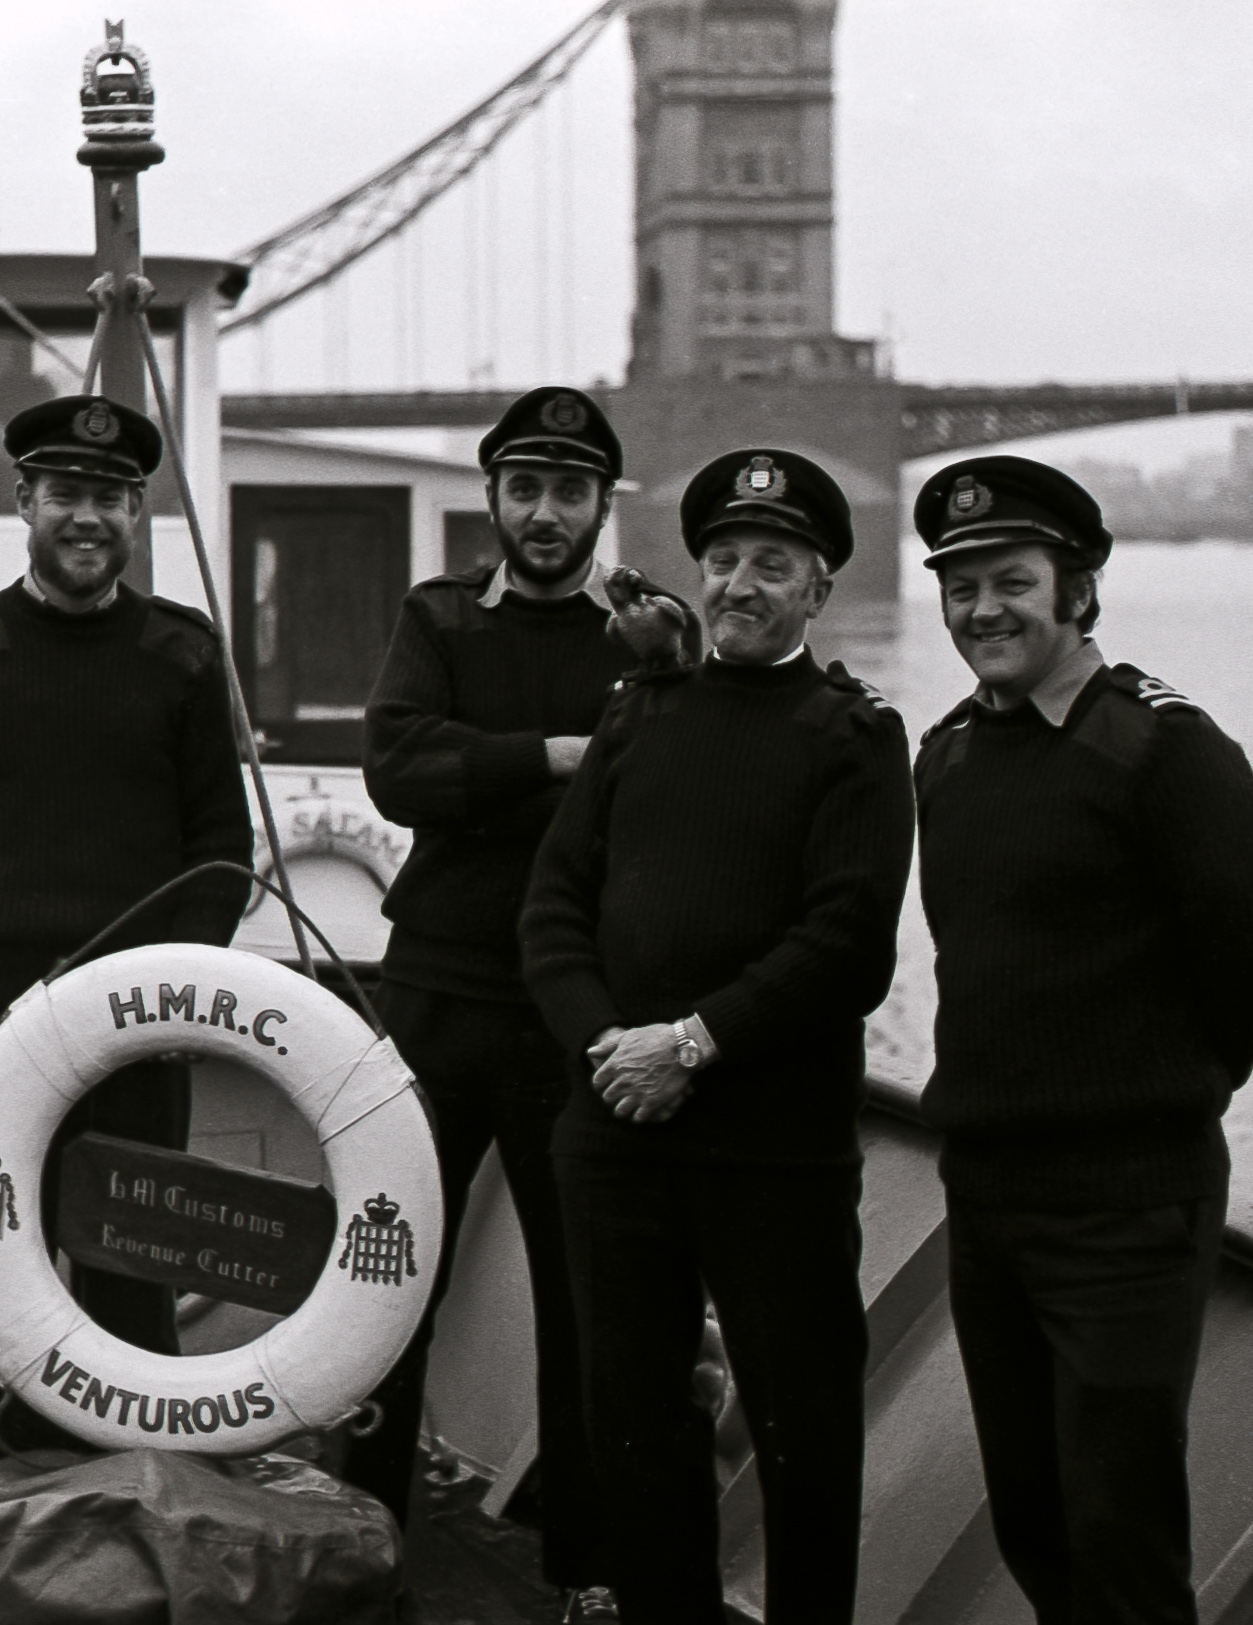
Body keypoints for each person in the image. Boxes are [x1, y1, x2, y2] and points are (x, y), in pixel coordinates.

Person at [910, 455, 1253, 1625]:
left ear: (1078, 589)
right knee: (1033, 1518)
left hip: (1127, 1204)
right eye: (961, 586)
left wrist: (1160, 1093)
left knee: (1120, 1532)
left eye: (1012, 581)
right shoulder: (948, 752)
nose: (983, 609)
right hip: (989, 1193)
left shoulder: (1163, 747)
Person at [522, 449, 916, 1625]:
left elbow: (847, 943)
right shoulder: (640, 712)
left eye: (773, 565)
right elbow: (552, 909)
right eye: (726, 559)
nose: (741, 584)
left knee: (805, 1433)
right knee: (636, 1427)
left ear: (819, 588)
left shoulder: (854, 734)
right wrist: (609, 1046)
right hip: (618, 1136)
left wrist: (689, 1044)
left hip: (774, 1149)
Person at [353, 386, 691, 1622]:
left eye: (570, 491)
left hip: (575, 1010)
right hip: (438, 992)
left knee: (584, 1296)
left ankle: (586, 1567)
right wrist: (553, 755)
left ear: (603, 505)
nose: (546, 513)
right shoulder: (437, 616)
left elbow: (671, 789)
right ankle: (364, 1535)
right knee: (391, 1276)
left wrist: (481, 765)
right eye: (526, 488)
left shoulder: (649, 634)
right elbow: (397, 769)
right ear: (493, 497)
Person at [0, 393, 253, 1471]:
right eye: (64, 493)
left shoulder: (183, 655)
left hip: (137, 1023)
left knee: (131, 1273)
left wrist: (174, 984)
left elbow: (220, 849)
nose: (86, 516)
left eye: (109, 497)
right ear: (24, 502)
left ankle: (133, 1499)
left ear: (136, 513)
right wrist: (7, 911)